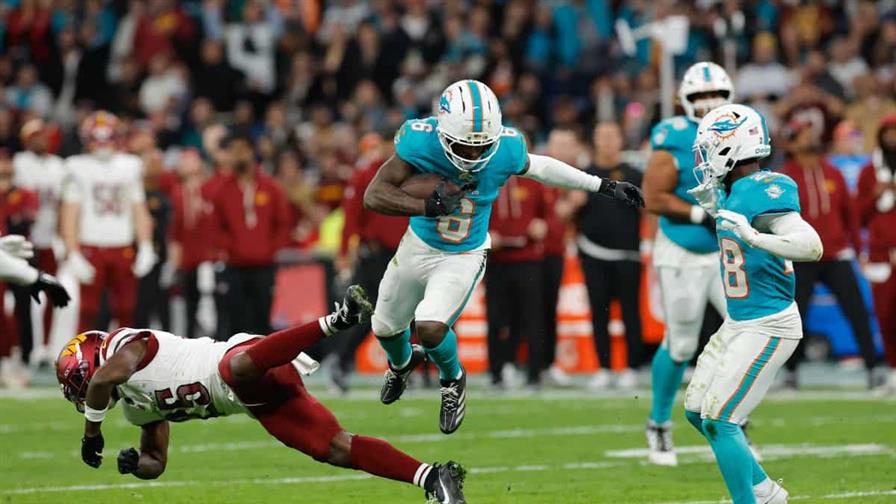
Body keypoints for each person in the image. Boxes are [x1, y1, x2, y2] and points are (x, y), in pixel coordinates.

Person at [363, 79, 644, 434]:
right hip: (417, 245)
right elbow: (375, 195)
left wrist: (602, 185)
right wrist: (425, 205)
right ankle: (401, 365)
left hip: (463, 254)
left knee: (430, 325)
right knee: (385, 328)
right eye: (466, 147)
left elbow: (543, 167)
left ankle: (453, 380)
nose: (475, 156)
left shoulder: (505, 148)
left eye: (482, 147)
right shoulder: (420, 141)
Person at [55, 285, 467, 504]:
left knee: (233, 367)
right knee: (334, 448)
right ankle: (434, 477)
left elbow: (101, 383)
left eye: (80, 382)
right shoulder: (135, 406)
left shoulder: (128, 346)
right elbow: (156, 462)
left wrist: (92, 435)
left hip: (246, 357)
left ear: (94, 359)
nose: (83, 393)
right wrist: (134, 466)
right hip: (257, 400)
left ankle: (335, 320)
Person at [686, 103, 822, 504]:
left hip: (769, 324)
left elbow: (811, 245)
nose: (703, 158)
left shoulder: (766, 187)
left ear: (732, 146)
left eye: (709, 147)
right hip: (739, 322)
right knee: (696, 412)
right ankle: (765, 492)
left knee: (721, 420)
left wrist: (756, 237)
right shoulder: (732, 189)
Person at [641, 61, 733, 465]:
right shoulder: (674, 134)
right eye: (699, 96)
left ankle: (734, 422)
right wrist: (700, 215)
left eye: (715, 95)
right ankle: (659, 423)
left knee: (746, 333)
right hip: (683, 250)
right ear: (684, 100)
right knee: (680, 344)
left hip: (728, 249)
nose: (709, 103)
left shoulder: (744, 127)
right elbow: (654, 196)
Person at [779, 118, 878, 388]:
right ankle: (791, 372)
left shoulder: (831, 172)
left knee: (856, 310)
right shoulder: (785, 178)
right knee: (794, 315)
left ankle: (873, 368)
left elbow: (851, 217)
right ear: (792, 141)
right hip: (801, 255)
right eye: (804, 134)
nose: (811, 139)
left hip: (836, 253)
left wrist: (858, 251)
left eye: (811, 133)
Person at [58, 111, 157, 332]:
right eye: (96, 138)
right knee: (88, 310)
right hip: (91, 244)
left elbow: (139, 209)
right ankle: (83, 361)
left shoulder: (130, 165)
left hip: (121, 245)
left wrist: (146, 245)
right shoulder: (76, 166)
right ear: (86, 139)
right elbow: (69, 213)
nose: (102, 144)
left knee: (127, 308)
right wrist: (72, 251)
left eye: (107, 137)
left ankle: (124, 360)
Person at [567, 121, 644, 390]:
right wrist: (571, 204)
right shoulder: (583, 175)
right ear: (595, 141)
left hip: (627, 254)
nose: (607, 141)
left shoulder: (634, 174)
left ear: (621, 140)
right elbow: (565, 213)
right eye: (602, 136)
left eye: (612, 136)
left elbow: (650, 211)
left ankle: (633, 368)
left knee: (630, 313)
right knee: (599, 313)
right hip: (593, 253)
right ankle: (604, 368)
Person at [333, 133, 407, 393]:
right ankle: (341, 361)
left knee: (414, 312)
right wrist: (344, 252)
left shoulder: (412, 170)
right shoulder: (366, 173)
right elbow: (351, 215)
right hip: (376, 255)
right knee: (369, 312)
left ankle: (418, 371)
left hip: (406, 252)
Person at [210, 131, 291, 336]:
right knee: (235, 322)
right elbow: (216, 227)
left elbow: (283, 222)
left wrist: (271, 250)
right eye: (233, 151)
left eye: (242, 150)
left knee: (263, 320)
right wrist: (231, 249)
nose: (238, 156)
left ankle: (263, 366)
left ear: (251, 151)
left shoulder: (270, 187)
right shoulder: (222, 190)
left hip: (264, 266)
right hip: (234, 267)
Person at [485, 175, 549, 389]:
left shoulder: (534, 181)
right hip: (496, 260)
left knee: (532, 317)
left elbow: (548, 215)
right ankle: (496, 372)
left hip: (527, 259)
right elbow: (471, 213)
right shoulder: (485, 179)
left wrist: (542, 226)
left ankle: (534, 373)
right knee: (495, 318)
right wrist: (484, 234)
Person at [12, 118, 65, 364]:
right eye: (35, 136)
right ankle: (23, 347)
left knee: (53, 293)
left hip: (50, 239)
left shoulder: (58, 165)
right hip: (25, 241)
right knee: (24, 297)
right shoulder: (20, 163)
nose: (41, 140)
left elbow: (64, 204)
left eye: (43, 135)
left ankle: (45, 347)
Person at [856, 113, 896, 393]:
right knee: (886, 314)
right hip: (882, 253)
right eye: (889, 132)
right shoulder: (870, 171)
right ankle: (894, 369)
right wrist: (875, 194)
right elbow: (859, 216)